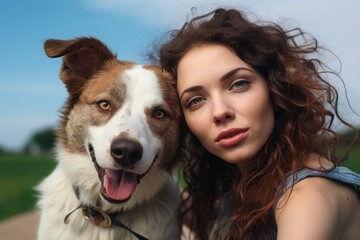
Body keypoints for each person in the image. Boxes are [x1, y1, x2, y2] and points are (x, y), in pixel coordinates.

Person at [157, 8, 360, 240]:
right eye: (196, 100)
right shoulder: (246, 186)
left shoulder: (307, 199)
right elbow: (204, 218)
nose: (220, 112)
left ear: (275, 89)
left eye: (239, 84)